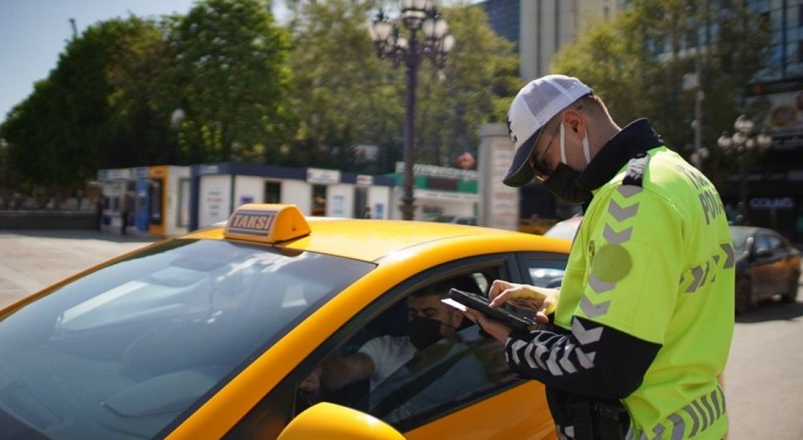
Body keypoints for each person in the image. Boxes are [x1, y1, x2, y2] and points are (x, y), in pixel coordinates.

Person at [463, 75, 734, 440]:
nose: (544, 179)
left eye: (541, 163)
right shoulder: (681, 175)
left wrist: (515, 342)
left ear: (573, 124)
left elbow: (606, 367)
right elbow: (666, 298)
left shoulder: (632, 199)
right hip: (700, 423)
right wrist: (556, 301)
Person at [308, 278, 488, 423]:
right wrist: (319, 372)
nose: (419, 320)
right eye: (413, 313)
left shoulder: (468, 368)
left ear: (456, 319)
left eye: (430, 313)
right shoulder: (387, 347)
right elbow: (350, 368)